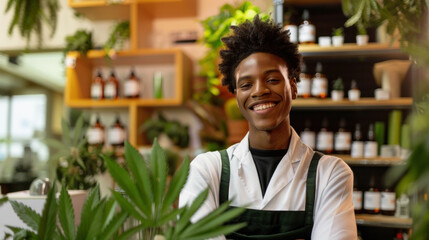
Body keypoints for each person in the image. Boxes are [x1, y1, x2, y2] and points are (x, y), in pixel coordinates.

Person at [179, 16, 357, 240]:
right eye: (246, 84)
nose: (259, 91)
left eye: (272, 80)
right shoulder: (207, 171)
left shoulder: (330, 174)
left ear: (293, 87)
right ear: (237, 96)